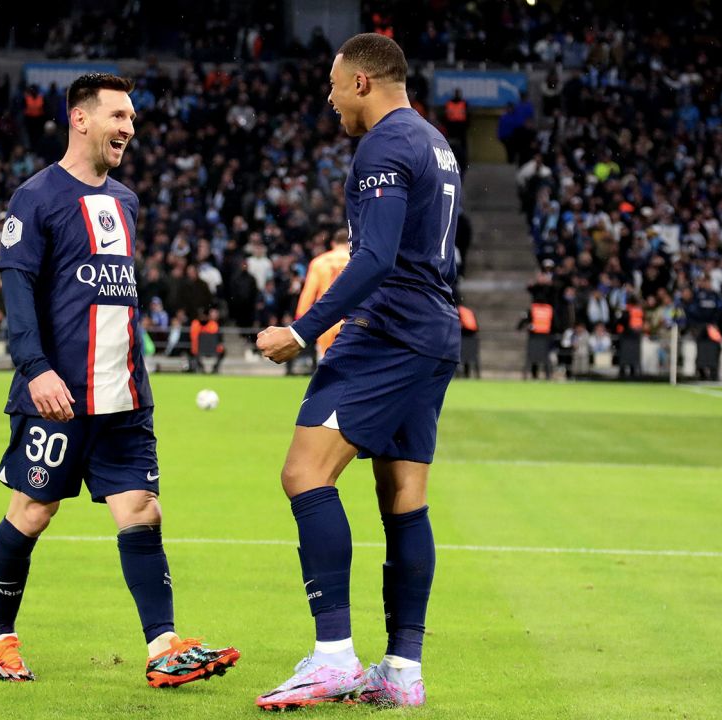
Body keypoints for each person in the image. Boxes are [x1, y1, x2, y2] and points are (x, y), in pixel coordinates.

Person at [0, 73, 239, 687]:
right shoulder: (35, 197)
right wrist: (35, 369)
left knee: (142, 511)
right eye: (118, 116)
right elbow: (18, 291)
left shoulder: (126, 200)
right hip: (58, 398)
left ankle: (163, 646)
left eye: (132, 119)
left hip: (124, 396)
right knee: (32, 511)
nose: (128, 127)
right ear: (81, 119)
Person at [254, 34, 460, 710]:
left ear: (364, 82)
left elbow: (371, 259)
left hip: (389, 329)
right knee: (404, 497)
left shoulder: (383, 145)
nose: (331, 97)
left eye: (335, 84)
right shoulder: (433, 142)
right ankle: (401, 670)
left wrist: (300, 329)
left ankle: (334, 655)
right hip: (433, 331)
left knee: (304, 472)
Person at [295, 228, 351, 359]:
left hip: (326, 319)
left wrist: (299, 320)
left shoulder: (319, 262)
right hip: (351, 319)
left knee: (325, 362)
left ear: (333, 243)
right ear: (350, 243)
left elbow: (308, 293)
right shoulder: (356, 260)